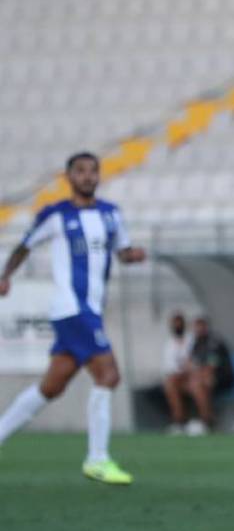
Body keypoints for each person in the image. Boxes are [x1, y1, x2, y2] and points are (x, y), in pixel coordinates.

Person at [0, 152, 146, 484]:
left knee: (50, 387)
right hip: (72, 308)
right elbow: (24, 246)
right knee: (108, 376)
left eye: (93, 171)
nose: (88, 176)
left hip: (89, 310)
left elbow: (121, 252)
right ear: (68, 177)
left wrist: (132, 256)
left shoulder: (111, 215)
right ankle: (97, 458)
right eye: (80, 171)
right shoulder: (56, 215)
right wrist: (5, 275)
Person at [186, 316, 234, 433]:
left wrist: (197, 376)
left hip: (223, 377)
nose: (198, 330)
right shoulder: (196, 343)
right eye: (196, 327)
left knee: (200, 384)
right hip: (204, 377)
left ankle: (206, 421)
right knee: (189, 384)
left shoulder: (214, 342)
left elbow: (211, 366)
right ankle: (181, 421)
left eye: (200, 326)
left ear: (206, 327)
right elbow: (190, 363)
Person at [161, 312, 195, 434]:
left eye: (179, 323)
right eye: (175, 324)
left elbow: (193, 361)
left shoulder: (192, 339)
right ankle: (179, 421)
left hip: (191, 376)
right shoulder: (169, 343)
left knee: (193, 385)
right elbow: (169, 365)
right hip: (177, 378)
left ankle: (202, 421)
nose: (177, 326)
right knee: (170, 385)